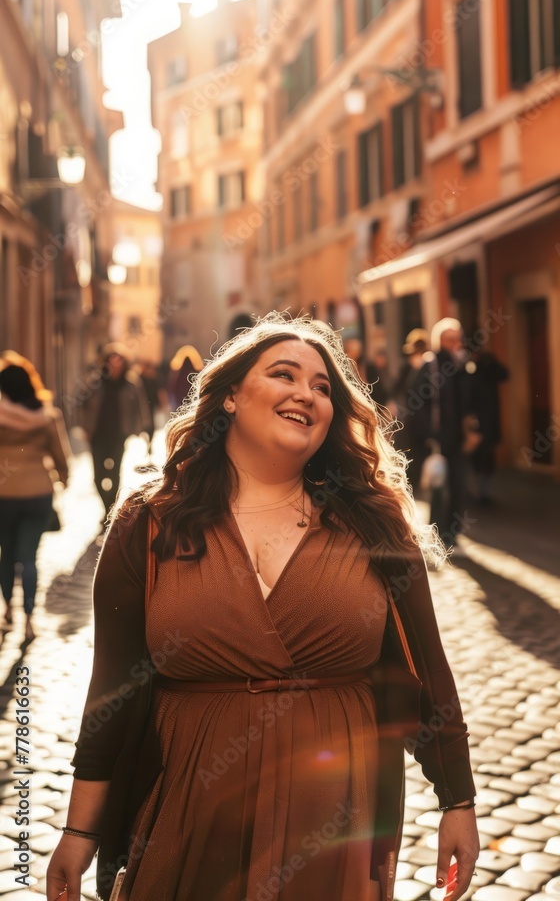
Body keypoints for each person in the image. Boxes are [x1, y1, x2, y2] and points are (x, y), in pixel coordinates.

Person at [47, 313, 479, 901]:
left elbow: (423, 669)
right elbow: (113, 691)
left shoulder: (372, 524)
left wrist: (458, 799)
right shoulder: (147, 526)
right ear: (228, 397)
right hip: (190, 807)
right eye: (284, 374)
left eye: (323, 386)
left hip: (336, 816)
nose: (306, 393)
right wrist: (80, 829)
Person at [0, 358, 71, 641]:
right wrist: (63, 478)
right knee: (29, 558)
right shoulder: (46, 415)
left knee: (6, 556)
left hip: (4, 494)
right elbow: (60, 454)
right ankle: (29, 620)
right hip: (38, 492)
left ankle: (8, 611)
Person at [408, 319, 473, 544]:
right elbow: (415, 403)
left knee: (457, 486)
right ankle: (439, 535)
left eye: (459, 339)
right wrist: (429, 435)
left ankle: (451, 535)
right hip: (437, 440)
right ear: (442, 341)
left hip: (457, 439)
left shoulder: (461, 365)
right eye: (453, 339)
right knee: (438, 487)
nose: (458, 343)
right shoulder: (431, 365)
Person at [81, 343, 150, 520]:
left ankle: (110, 510)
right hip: (97, 435)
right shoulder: (95, 382)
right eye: (112, 360)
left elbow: (140, 407)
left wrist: (141, 429)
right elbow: (82, 405)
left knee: (114, 473)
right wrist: (85, 427)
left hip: (119, 435)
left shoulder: (131, 383)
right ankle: (107, 506)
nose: (115, 364)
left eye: (119, 361)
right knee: (98, 476)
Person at [468, 350, 509, 505]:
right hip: (476, 422)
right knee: (477, 457)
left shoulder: (490, 371)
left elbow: (505, 374)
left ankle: (485, 493)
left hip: (490, 421)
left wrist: (491, 361)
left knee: (488, 456)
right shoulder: (470, 372)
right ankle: (478, 491)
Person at [392, 329, 430, 492]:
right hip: (409, 417)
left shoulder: (429, 366)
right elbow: (397, 388)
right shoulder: (407, 367)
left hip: (424, 418)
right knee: (410, 451)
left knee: (422, 451)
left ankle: (420, 483)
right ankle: (412, 483)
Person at [167, 344, 204, 412]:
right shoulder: (197, 373)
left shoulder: (178, 374)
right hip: (193, 403)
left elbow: (173, 388)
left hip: (180, 403)